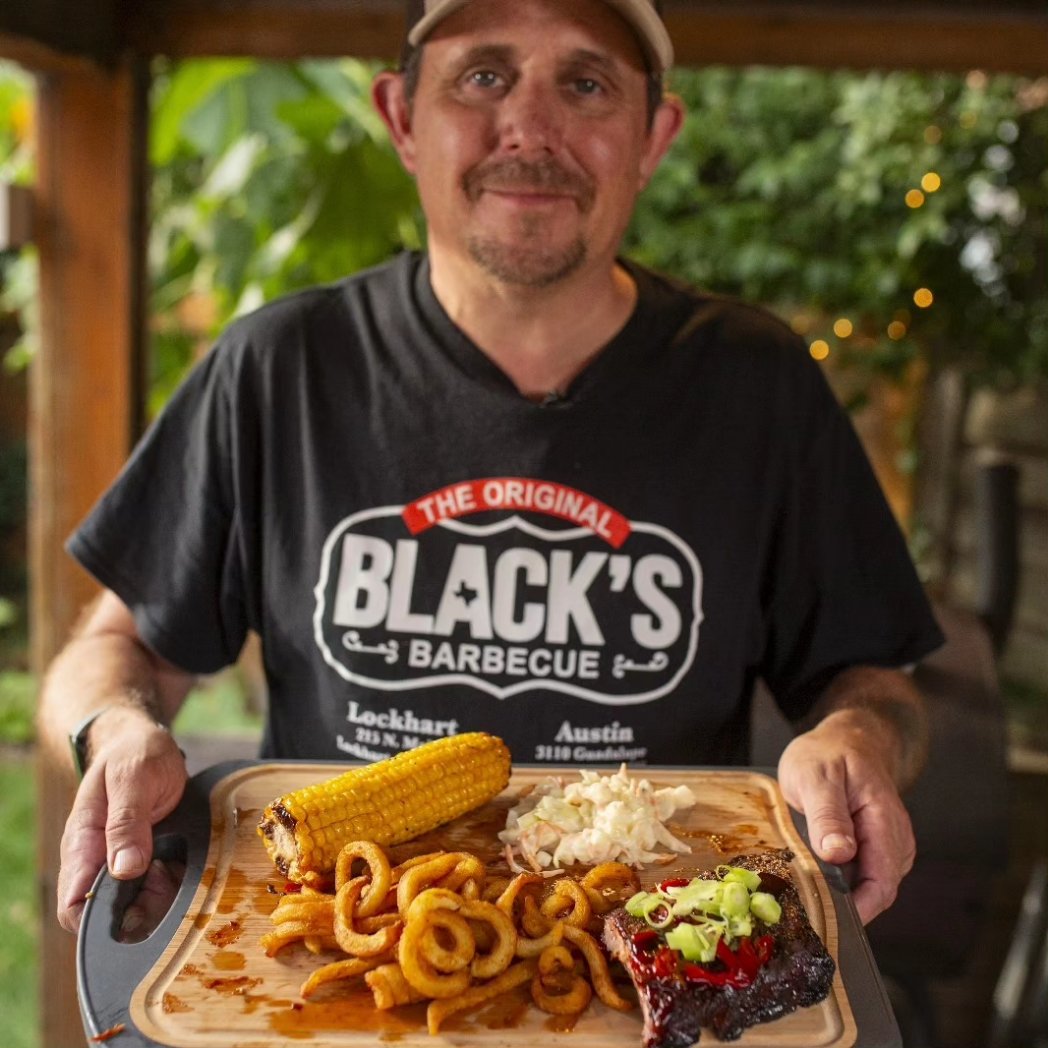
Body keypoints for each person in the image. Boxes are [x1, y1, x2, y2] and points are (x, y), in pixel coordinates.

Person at [39, 0, 943, 938]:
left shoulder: (757, 384)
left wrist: (859, 737)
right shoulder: (280, 368)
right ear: (400, 117)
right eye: (483, 76)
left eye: (585, 83)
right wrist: (118, 730)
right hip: (334, 956)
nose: (531, 128)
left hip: (651, 960)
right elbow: (119, 649)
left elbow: (873, 680)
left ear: (654, 137)